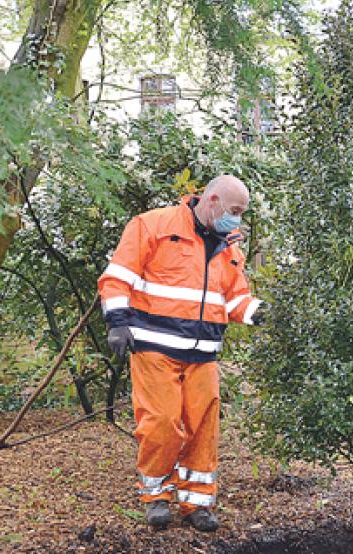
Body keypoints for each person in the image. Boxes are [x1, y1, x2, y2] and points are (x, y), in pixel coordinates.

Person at [98, 175, 267, 532]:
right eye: (234, 211)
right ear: (213, 200)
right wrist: (116, 321)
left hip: (203, 353)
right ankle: (156, 496)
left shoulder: (228, 248)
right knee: (161, 423)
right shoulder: (153, 225)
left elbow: (235, 298)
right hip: (155, 348)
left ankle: (197, 503)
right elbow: (117, 277)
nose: (236, 220)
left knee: (203, 428)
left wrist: (259, 312)